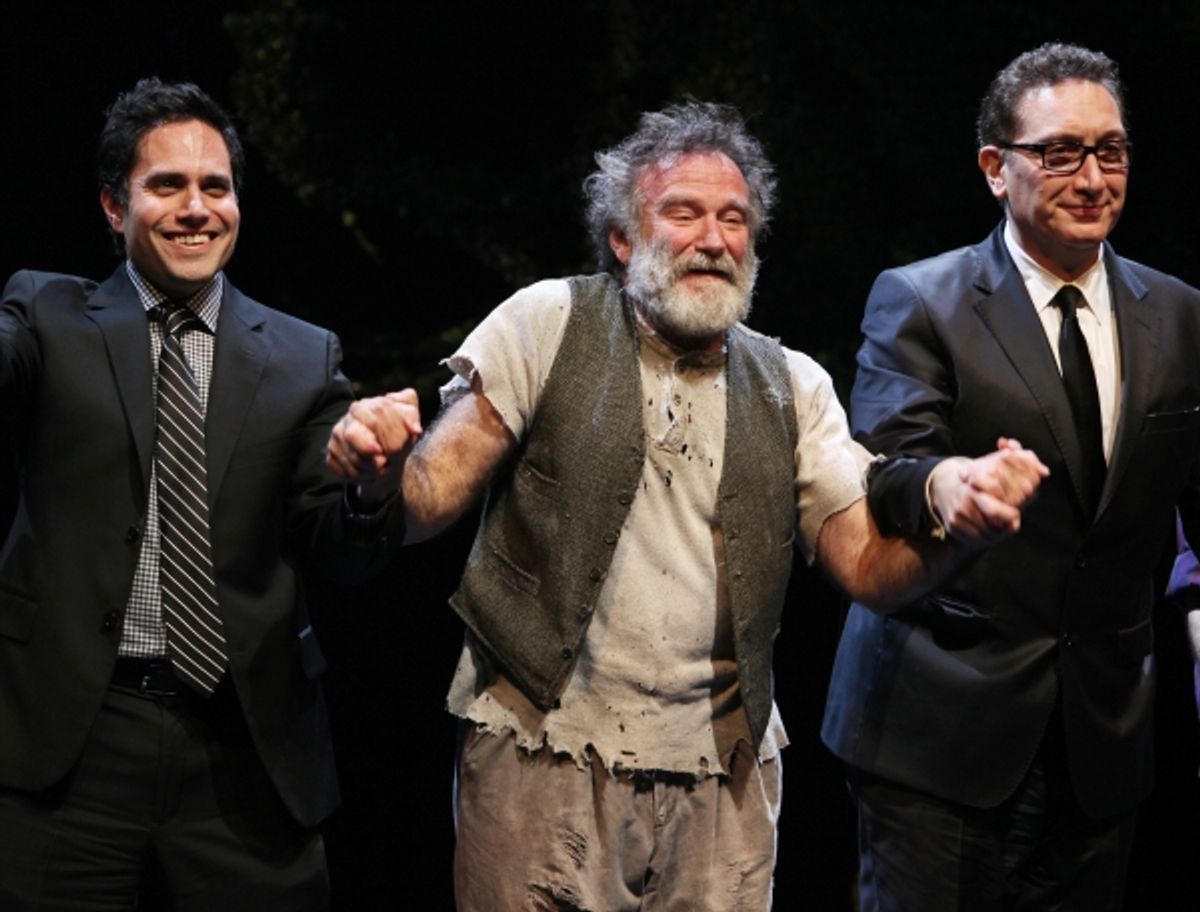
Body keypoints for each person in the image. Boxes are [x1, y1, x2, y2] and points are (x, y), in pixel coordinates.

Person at [326, 100, 1045, 910]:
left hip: (722, 777)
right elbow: (430, 495)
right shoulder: (547, 321)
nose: (713, 239)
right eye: (683, 213)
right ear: (623, 238)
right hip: (542, 754)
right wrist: (379, 473)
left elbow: (869, 568)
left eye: (734, 219)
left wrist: (962, 532)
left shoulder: (794, 384)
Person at [0, 79, 402, 911]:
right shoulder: (45, 315)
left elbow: (341, 554)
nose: (195, 208)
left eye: (214, 187)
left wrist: (370, 491)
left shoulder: (302, 355)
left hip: (244, 747)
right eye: (167, 185)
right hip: (69, 738)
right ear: (115, 207)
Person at [821, 42, 1200, 910]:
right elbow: (885, 469)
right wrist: (950, 486)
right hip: (935, 735)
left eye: (1111, 151)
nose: (1093, 178)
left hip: (1102, 743)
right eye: (1060, 153)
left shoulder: (1182, 316)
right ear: (997, 168)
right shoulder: (923, 299)